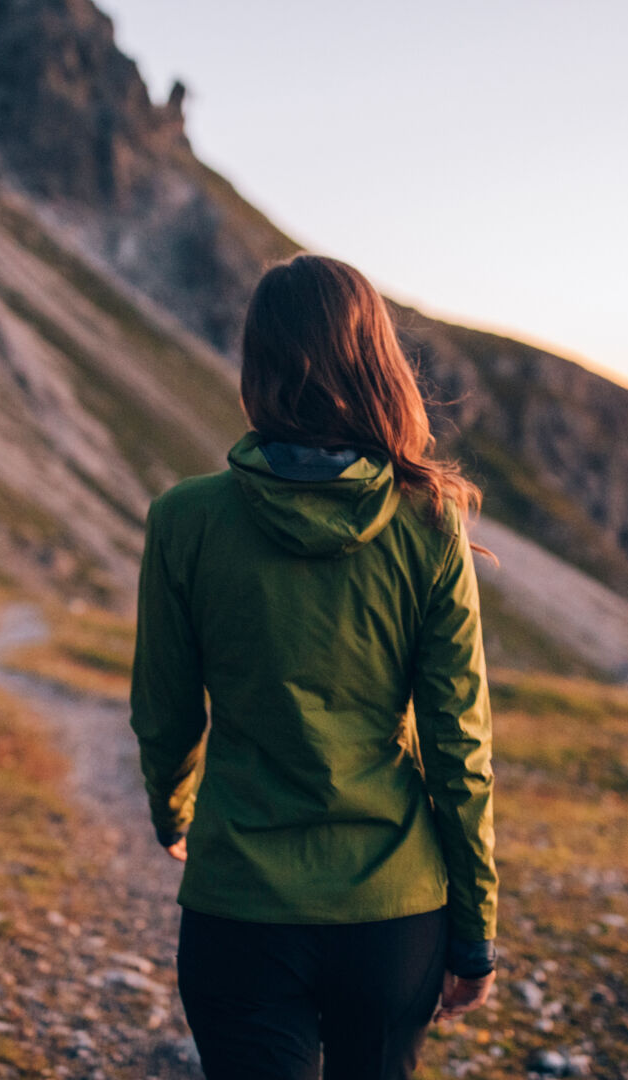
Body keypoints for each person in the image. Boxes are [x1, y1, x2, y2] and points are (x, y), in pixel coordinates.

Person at [129, 253, 499, 1080]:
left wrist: (172, 813)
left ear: (257, 364)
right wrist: (474, 930)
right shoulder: (428, 522)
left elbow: (164, 710)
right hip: (394, 914)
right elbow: (459, 747)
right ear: (377, 363)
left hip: (239, 907)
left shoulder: (185, 519)